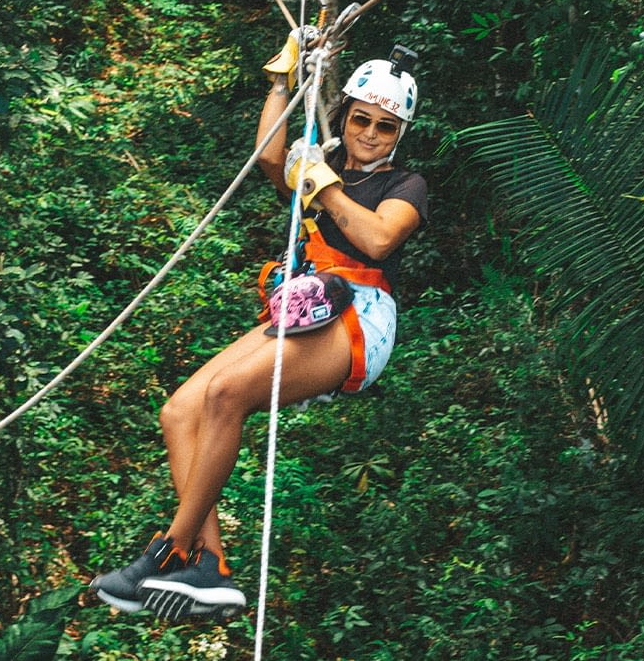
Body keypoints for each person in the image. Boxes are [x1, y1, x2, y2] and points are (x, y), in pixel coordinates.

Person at [89, 36, 430, 619]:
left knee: (226, 396)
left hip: (361, 316)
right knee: (180, 410)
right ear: (346, 113)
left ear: (401, 135)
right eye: (362, 119)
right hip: (309, 304)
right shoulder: (319, 160)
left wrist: (323, 184)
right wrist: (283, 78)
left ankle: (170, 550)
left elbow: (377, 238)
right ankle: (208, 566)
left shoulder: (405, 186)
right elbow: (271, 157)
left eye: (386, 127)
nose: (370, 134)